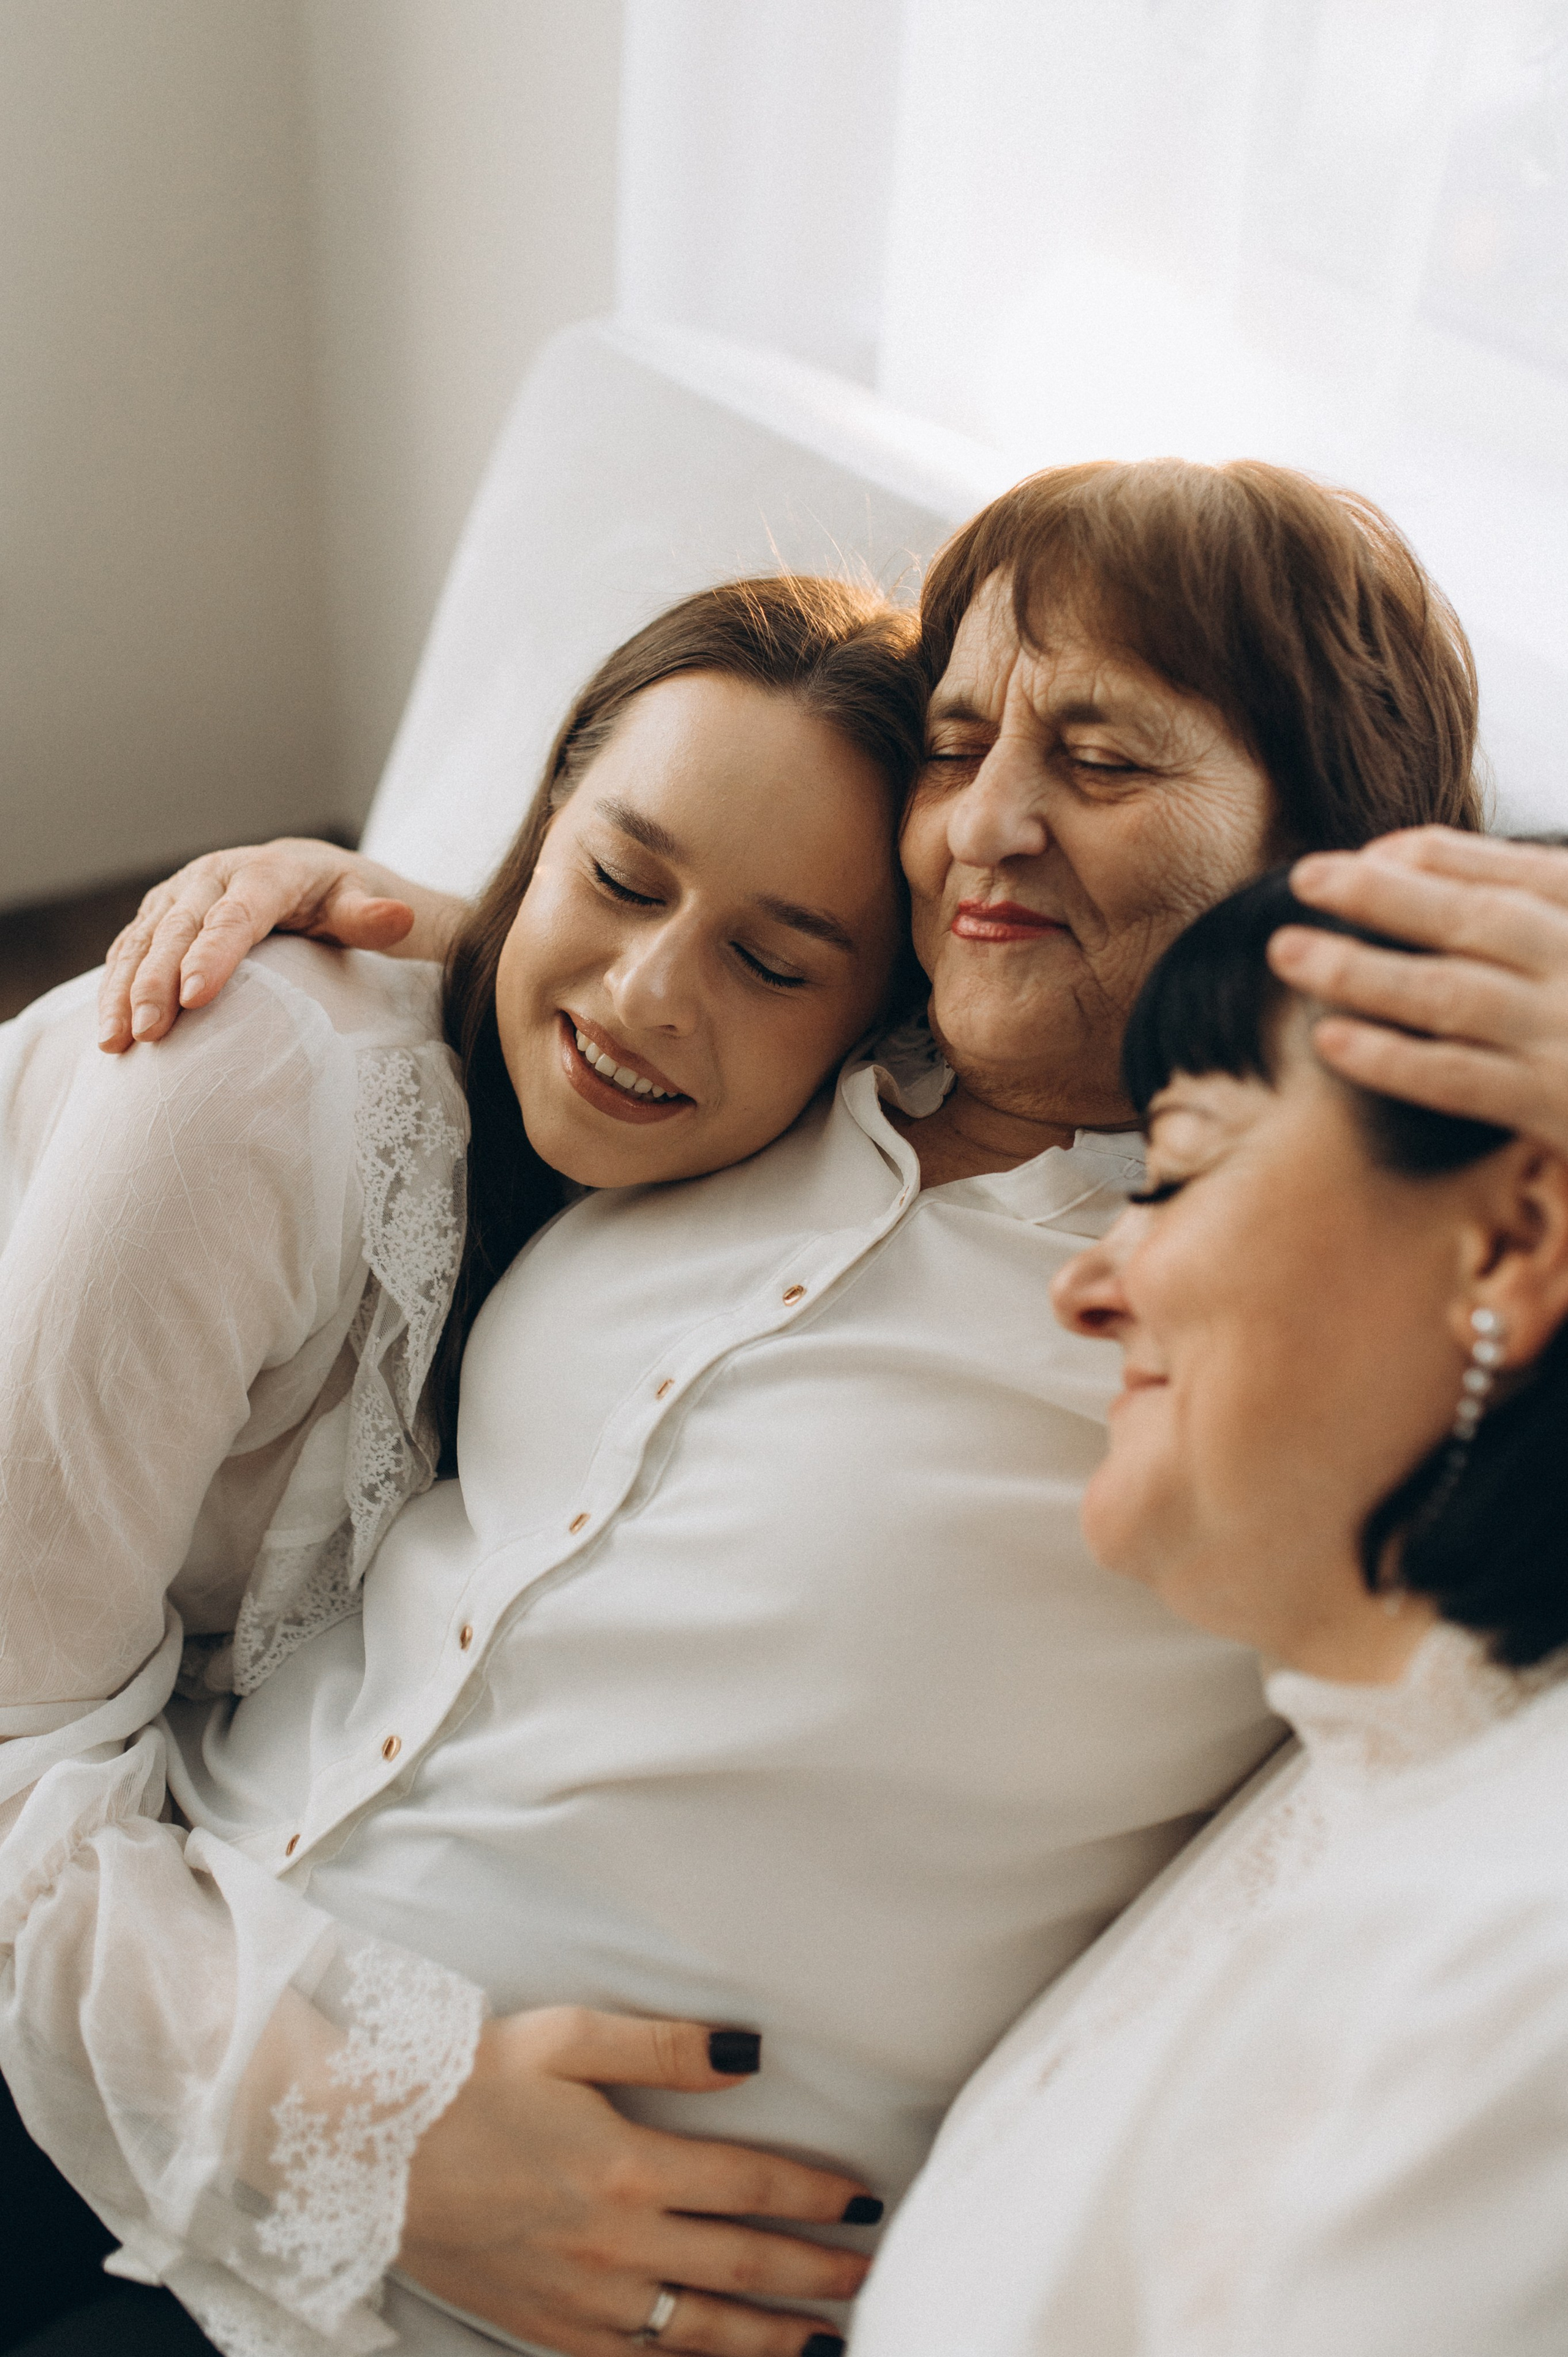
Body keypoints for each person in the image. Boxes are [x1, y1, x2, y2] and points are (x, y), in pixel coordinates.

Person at [4, 461, 1480, 2357]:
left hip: (449, 2312)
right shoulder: (802, 1066)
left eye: (1101, 759)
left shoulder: (1328, 1314)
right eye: (960, 745)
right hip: (111, 1983)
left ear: (1331, 850)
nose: (988, 828)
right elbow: (653, 964)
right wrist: (419, 922)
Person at [848, 865, 1568, 2357]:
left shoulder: (1514, 1957)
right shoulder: (1342, 1771)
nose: (1085, 1290)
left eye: (1173, 1170)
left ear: (1505, 1245)